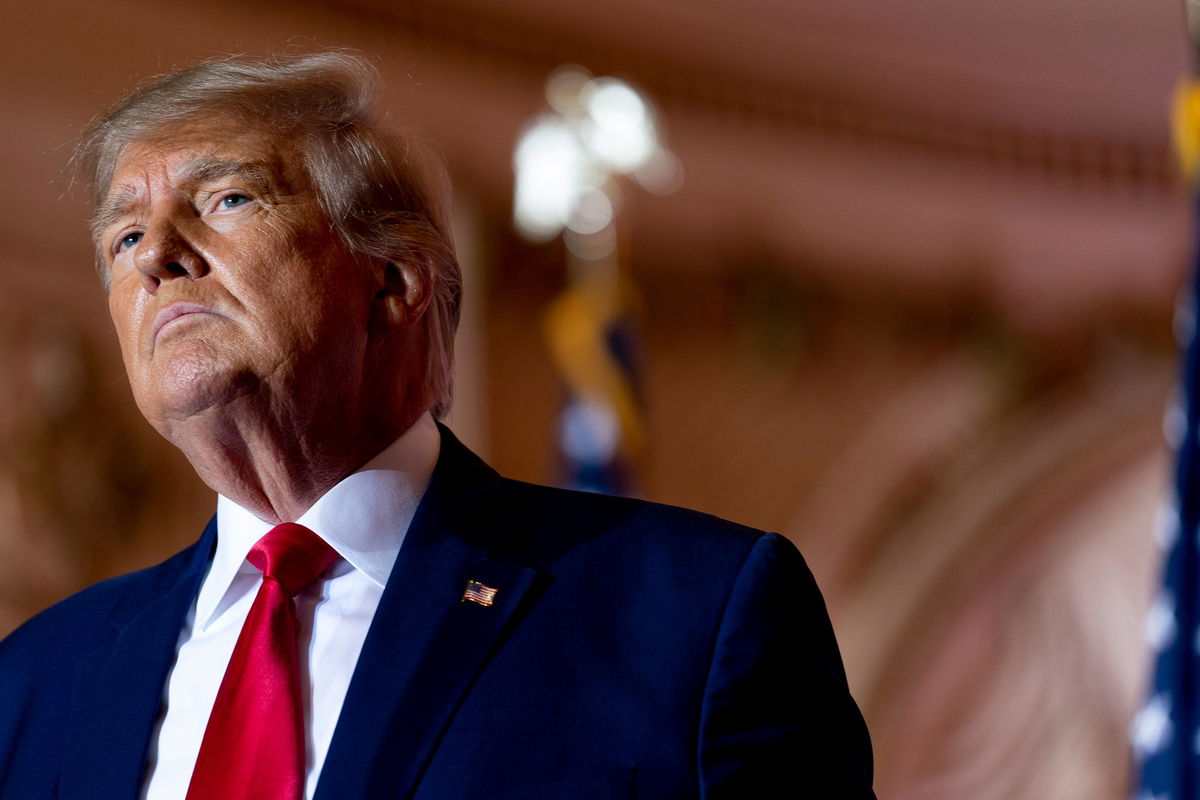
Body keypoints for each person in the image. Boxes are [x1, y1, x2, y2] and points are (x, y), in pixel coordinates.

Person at [0, 52, 876, 799]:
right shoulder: (38, 680)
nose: (156, 254)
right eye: (123, 238)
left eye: (226, 199)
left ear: (394, 282)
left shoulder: (690, 614)